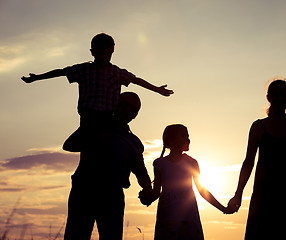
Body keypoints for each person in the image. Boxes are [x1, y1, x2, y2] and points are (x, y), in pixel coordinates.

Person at [21, 33, 173, 151]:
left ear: (112, 52)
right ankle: (88, 146)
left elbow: (136, 80)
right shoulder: (84, 69)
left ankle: (103, 152)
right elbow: (61, 72)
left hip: (108, 117)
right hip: (88, 117)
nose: (103, 57)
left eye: (107, 54)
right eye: (100, 53)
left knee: (105, 141)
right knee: (82, 143)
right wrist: (37, 78)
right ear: (92, 52)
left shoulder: (116, 72)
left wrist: (157, 89)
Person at [227, 79, 286, 239]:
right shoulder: (259, 126)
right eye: (276, 95)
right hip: (265, 196)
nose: (280, 99)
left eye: (284, 96)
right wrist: (238, 193)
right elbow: (248, 162)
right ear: (269, 97)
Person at [64, 92, 153, 240]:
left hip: (112, 194)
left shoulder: (132, 141)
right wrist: (93, 134)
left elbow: (140, 170)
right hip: (84, 189)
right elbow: (69, 145)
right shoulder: (93, 127)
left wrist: (148, 190)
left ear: (135, 115)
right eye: (124, 105)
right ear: (115, 105)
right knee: (76, 235)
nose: (127, 111)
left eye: (133, 109)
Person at [140, 124, 230, 240]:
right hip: (167, 217)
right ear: (171, 140)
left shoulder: (192, 162)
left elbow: (202, 190)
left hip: (189, 217)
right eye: (184, 136)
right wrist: (146, 198)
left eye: (188, 136)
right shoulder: (159, 164)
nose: (188, 139)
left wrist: (223, 208)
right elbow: (156, 192)